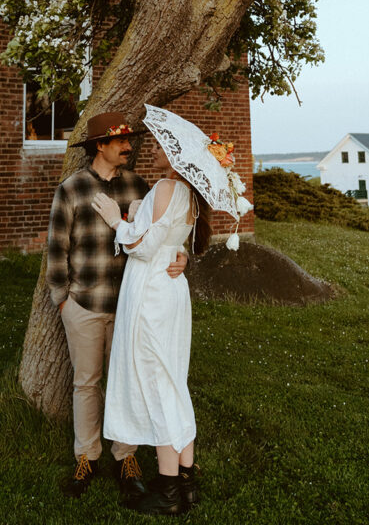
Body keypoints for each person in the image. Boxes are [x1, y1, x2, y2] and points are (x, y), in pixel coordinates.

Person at [46, 111, 188, 501]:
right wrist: (63, 301)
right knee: (86, 382)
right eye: (121, 141)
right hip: (85, 305)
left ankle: (126, 457)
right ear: (100, 146)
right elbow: (56, 251)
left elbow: (164, 238)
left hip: (132, 307)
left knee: (128, 384)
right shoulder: (72, 189)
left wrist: (182, 258)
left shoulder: (140, 187)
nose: (129, 147)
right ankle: (86, 456)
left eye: (129, 140)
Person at [91, 137, 212, 515]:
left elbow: (141, 247)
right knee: (173, 381)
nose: (153, 152)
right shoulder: (189, 196)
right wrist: (139, 221)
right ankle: (186, 482)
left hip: (151, 295)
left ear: (175, 157)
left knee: (158, 384)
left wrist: (116, 220)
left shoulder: (165, 187)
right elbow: (169, 240)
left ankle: (168, 489)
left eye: (161, 148)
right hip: (172, 291)